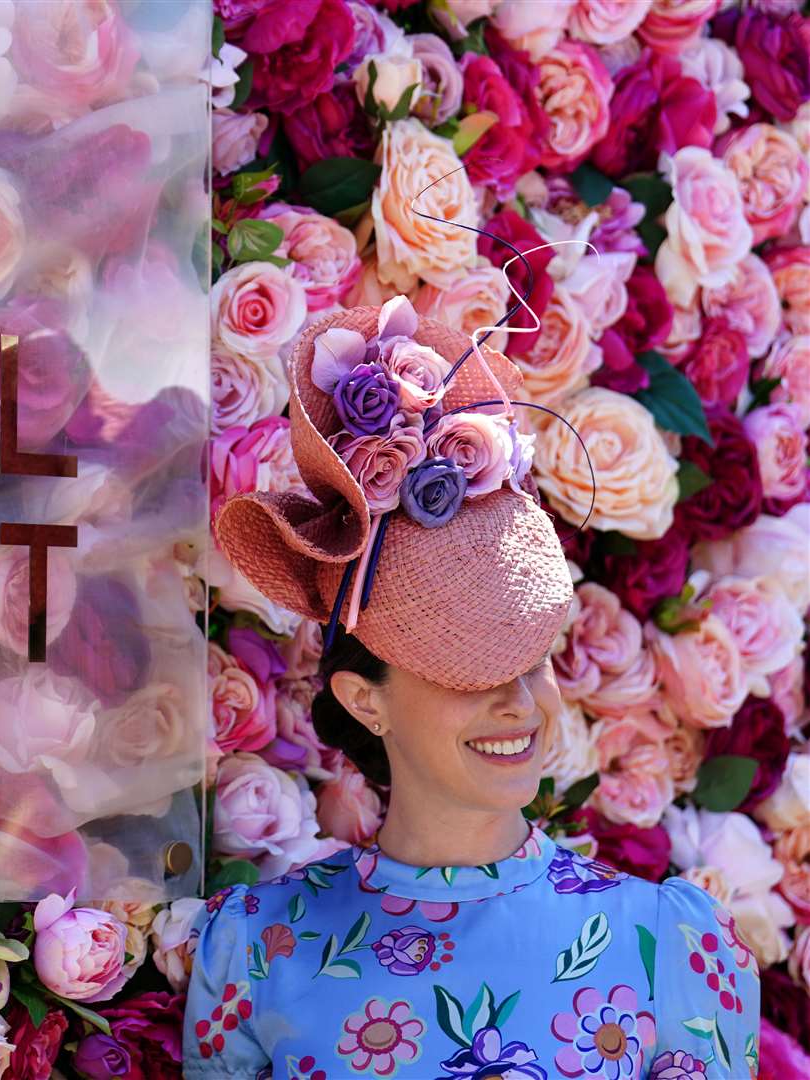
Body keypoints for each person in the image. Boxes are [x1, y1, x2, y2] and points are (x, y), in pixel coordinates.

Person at [184, 302, 761, 1079]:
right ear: (364, 699)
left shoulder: (667, 944)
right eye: (469, 670)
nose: (519, 703)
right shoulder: (254, 951)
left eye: (531, 659)